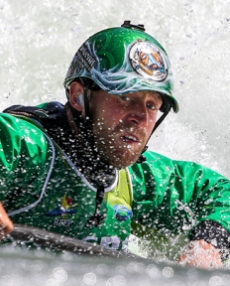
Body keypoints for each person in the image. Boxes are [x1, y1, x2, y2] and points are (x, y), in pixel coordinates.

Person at [0, 20, 229, 269]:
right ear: (78, 96)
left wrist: (207, 246)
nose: (140, 117)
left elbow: (220, 191)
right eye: (126, 97)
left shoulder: (136, 177)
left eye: (152, 105)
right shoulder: (27, 145)